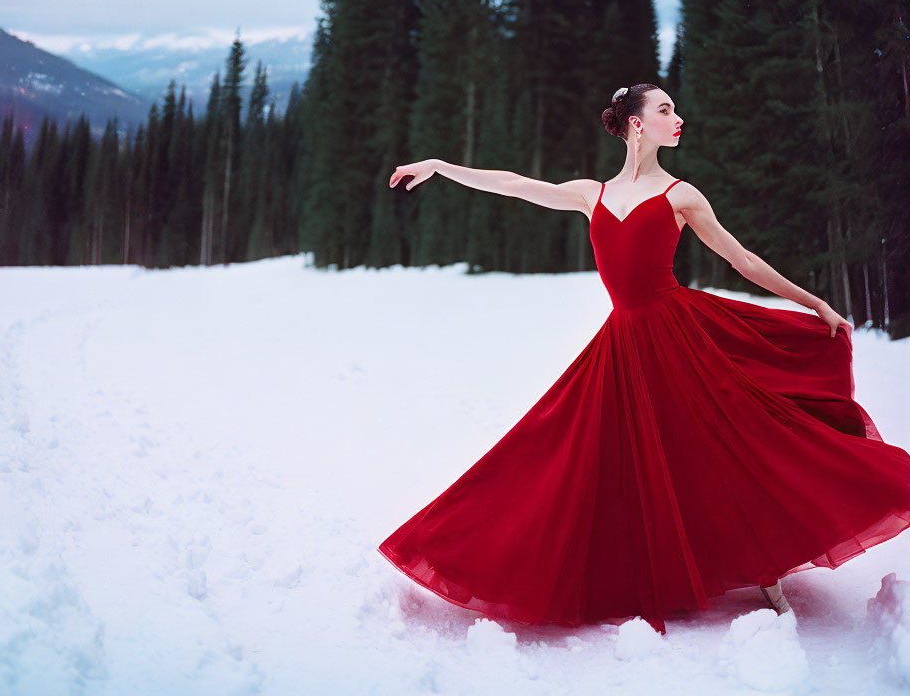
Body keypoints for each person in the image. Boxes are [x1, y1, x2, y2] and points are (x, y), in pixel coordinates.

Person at [377, 83, 910, 635]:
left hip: (680, 337)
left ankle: (765, 564)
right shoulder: (592, 194)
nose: (677, 118)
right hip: (623, 346)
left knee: (727, 441)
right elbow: (516, 186)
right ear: (636, 124)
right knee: (573, 456)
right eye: (665, 110)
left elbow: (743, 260)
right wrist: (441, 165)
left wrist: (815, 302)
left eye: (675, 109)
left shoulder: (683, 195)